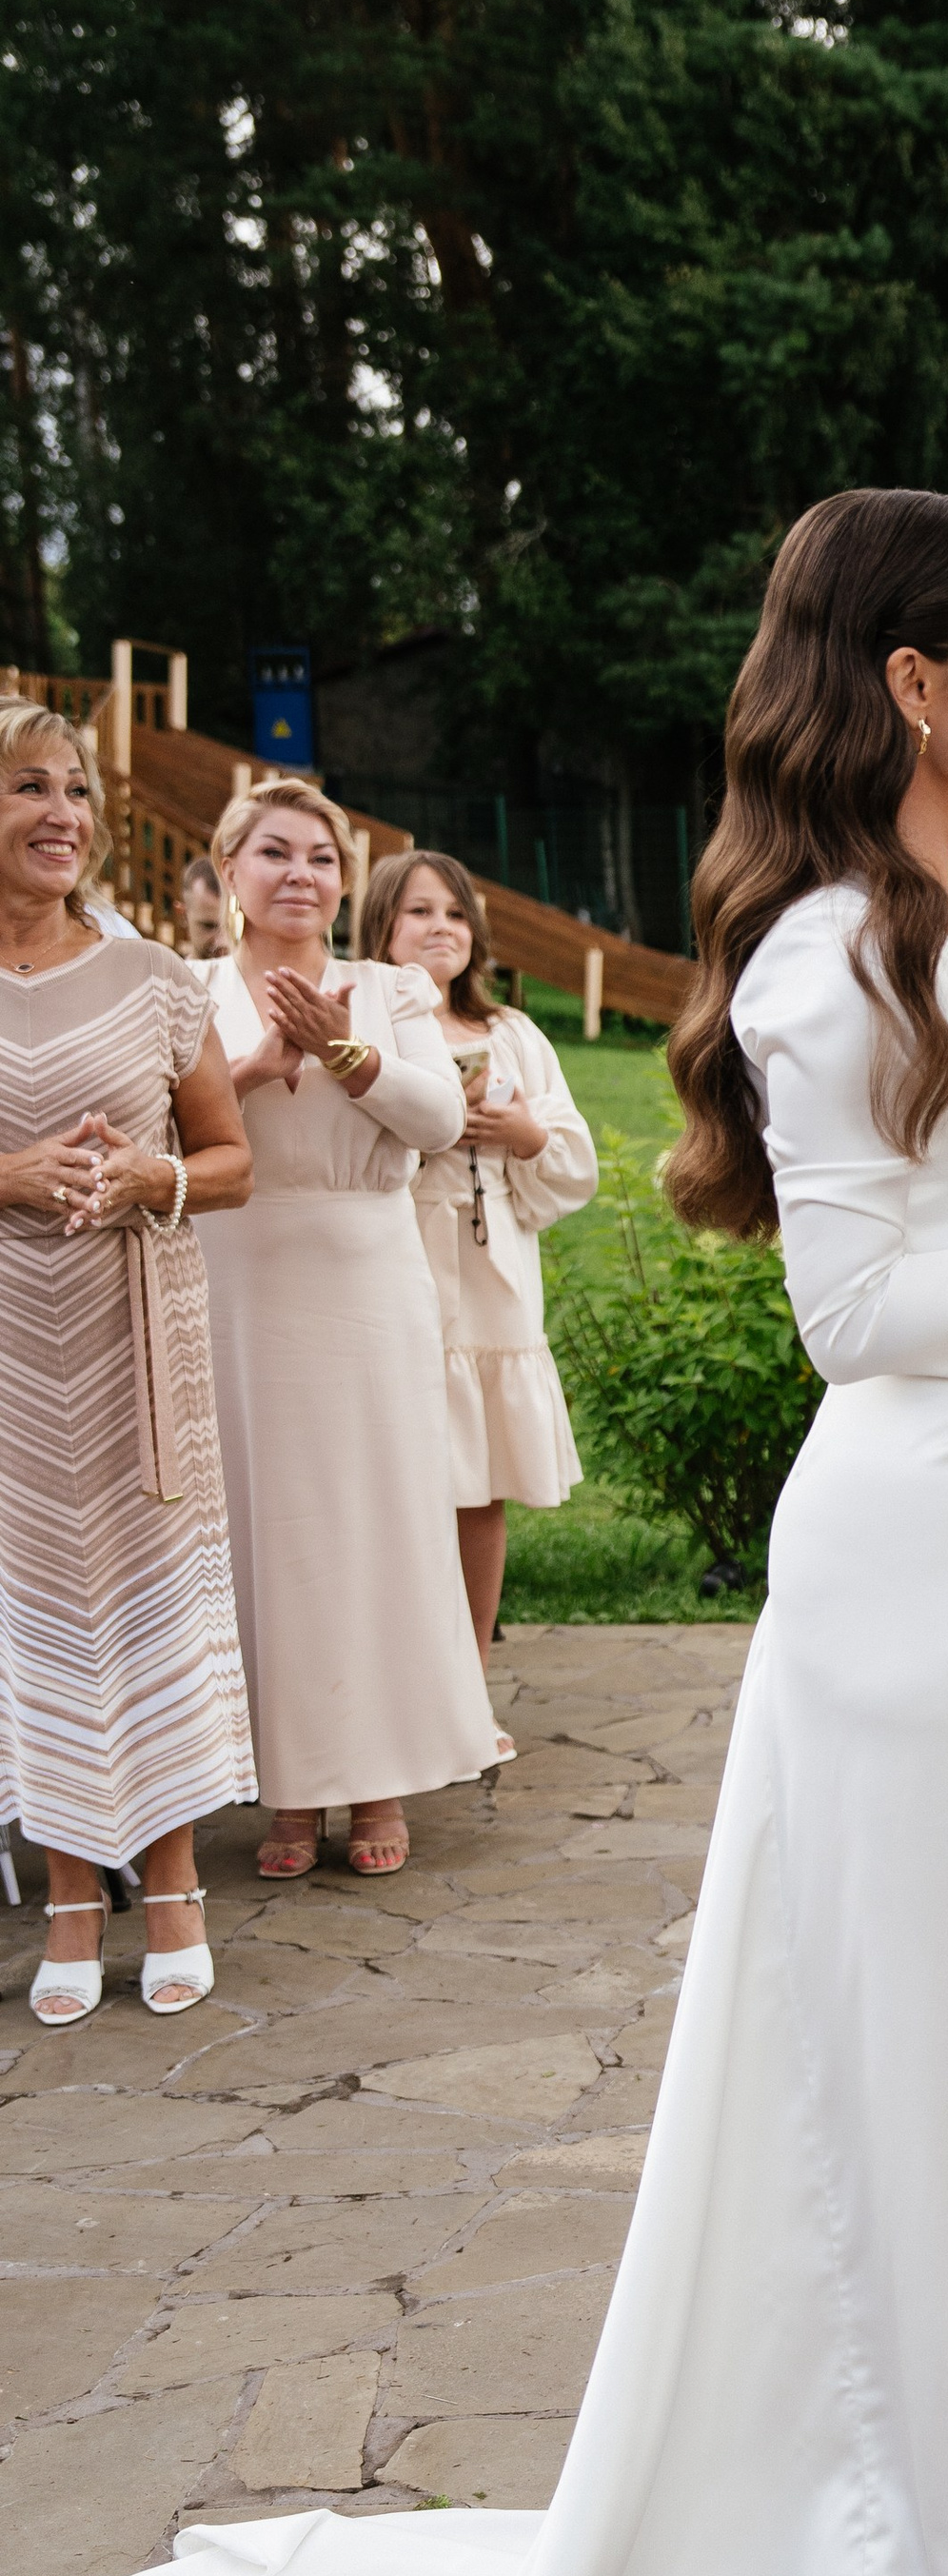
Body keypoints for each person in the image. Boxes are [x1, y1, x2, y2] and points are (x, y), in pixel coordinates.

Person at [0, 483, 948, 2576]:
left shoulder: (943, 921)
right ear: (908, 679)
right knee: (924, 2053)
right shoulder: (830, 955)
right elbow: (861, 1316)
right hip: (909, 1589)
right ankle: (934, 2546)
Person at [0, 706, 255, 2023]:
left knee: (148, 1602)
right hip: (3, 1364)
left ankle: (171, 1886)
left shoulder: (158, 976)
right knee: (30, 1620)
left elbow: (232, 1161)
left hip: (131, 1339)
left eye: (78, 790)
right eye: (28, 788)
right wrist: (11, 1175)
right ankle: (68, 1894)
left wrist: (155, 1172)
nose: (63, 813)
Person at [201, 778, 498, 1880]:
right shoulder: (188, 991)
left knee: (372, 1525)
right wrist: (245, 1070)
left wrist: (344, 1052)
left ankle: (376, 1779)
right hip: (238, 1276)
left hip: (364, 1272)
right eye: (274, 853)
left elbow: (441, 1119)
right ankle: (289, 1789)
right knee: (273, 1534)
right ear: (229, 868)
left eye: (321, 858)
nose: (299, 875)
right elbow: (159, 1126)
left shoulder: (388, 988)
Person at [370, 852, 598, 1657]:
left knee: (479, 1479)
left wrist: (524, 1134)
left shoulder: (511, 1033)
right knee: (402, 1474)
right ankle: (404, 1672)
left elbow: (571, 1162)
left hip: (493, 1265)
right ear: (381, 928)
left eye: (456, 913)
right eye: (419, 912)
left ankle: (466, 1675)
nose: (441, 928)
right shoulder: (364, 1027)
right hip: (401, 1260)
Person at [180, 852, 225, 961]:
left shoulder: (264, 977)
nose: (222, 941)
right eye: (209, 926)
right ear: (184, 916)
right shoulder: (170, 978)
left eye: (231, 926)